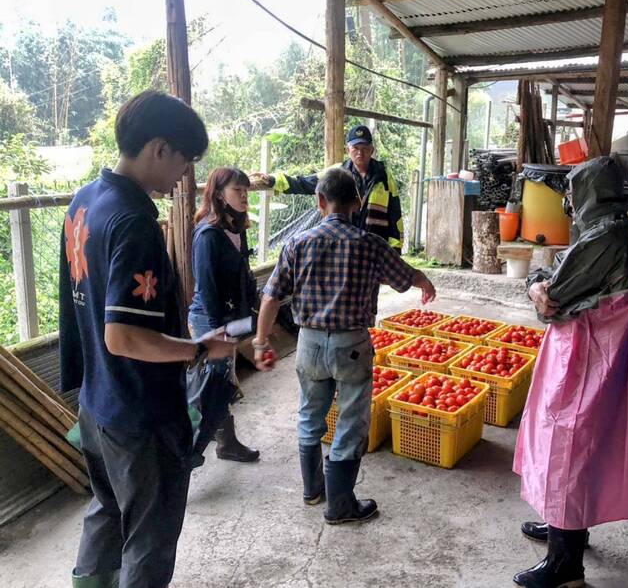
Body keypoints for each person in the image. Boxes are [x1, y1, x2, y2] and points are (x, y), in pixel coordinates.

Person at [58, 91, 238, 588]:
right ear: (160, 148)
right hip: (139, 413)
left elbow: (82, 317)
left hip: (96, 405)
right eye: (185, 161)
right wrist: (201, 349)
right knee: (149, 538)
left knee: (107, 511)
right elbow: (123, 336)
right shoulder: (134, 218)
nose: (184, 177)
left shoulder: (85, 200)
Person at [252, 168, 435, 524]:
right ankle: (340, 506)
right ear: (358, 202)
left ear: (320, 202)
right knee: (350, 423)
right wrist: (424, 280)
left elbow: (271, 297)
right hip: (351, 345)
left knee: (310, 414)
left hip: (308, 344)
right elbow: (404, 276)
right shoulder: (370, 244)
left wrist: (260, 342)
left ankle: (312, 491)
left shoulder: (297, 244)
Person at [512, 157, 628, 588]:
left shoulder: (606, 235)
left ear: (590, 193)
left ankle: (564, 564)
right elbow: (553, 286)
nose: (568, 204)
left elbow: (554, 298)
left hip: (588, 362)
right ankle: (564, 527)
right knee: (575, 449)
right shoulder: (609, 231)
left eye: (572, 194)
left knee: (567, 447)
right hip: (590, 356)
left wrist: (537, 284)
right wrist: (539, 282)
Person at [188, 167, 260, 463]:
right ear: (218, 194)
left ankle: (226, 443)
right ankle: (187, 452)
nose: (244, 196)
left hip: (231, 317)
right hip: (210, 318)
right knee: (212, 386)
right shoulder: (208, 234)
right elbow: (207, 289)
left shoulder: (236, 227)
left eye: (246, 190)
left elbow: (243, 275)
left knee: (222, 380)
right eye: (237, 190)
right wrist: (219, 332)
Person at [256, 124, 404, 250]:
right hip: (344, 244)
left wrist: (395, 249)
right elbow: (306, 183)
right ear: (348, 150)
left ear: (372, 150)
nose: (360, 152)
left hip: (374, 246)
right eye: (355, 148)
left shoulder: (384, 175)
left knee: (370, 284)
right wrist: (274, 180)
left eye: (365, 148)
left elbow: (395, 213)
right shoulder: (338, 172)